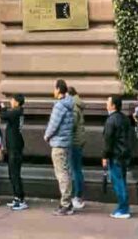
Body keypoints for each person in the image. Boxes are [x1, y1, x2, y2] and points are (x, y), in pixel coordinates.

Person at [44, 78, 75, 216]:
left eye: (54, 88)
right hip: (66, 142)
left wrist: (46, 136)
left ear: (58, 89)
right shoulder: (69, 104)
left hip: (58, 144)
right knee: (66, 172)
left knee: (61, 174)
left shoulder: (59, 106)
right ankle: (68, 202)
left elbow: (53, 124)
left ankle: (65, 204)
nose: (53, 91)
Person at [103, 95, 134, 220]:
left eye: (108, 102)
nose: (106, 103)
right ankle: (123, 207)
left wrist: (105, 156)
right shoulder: (124, 118)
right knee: (122, 181)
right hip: (124, 154)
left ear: (113, 105)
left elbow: (108, 140)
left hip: (115, 155)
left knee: (118, 182)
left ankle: (123, 209)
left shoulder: (111, 120)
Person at [0, 94, 27, 211]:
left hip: (14, 148)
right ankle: (17, 197)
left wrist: (2, 108)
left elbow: (3, 115)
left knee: (14, 173)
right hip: (15, 146)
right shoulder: (19, 112)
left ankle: (20, 198)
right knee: (13, 173)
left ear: (17, 102)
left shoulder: (16, 112)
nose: (10, 101)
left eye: (12, 100)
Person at [69, 85, 87, 210]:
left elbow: (72, 124)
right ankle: (78, 196)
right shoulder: (77, 103)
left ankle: (77, 196)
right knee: (77, 169)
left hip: (74, 141)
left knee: (75, 169)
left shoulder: (73, 105)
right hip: (79, 140)